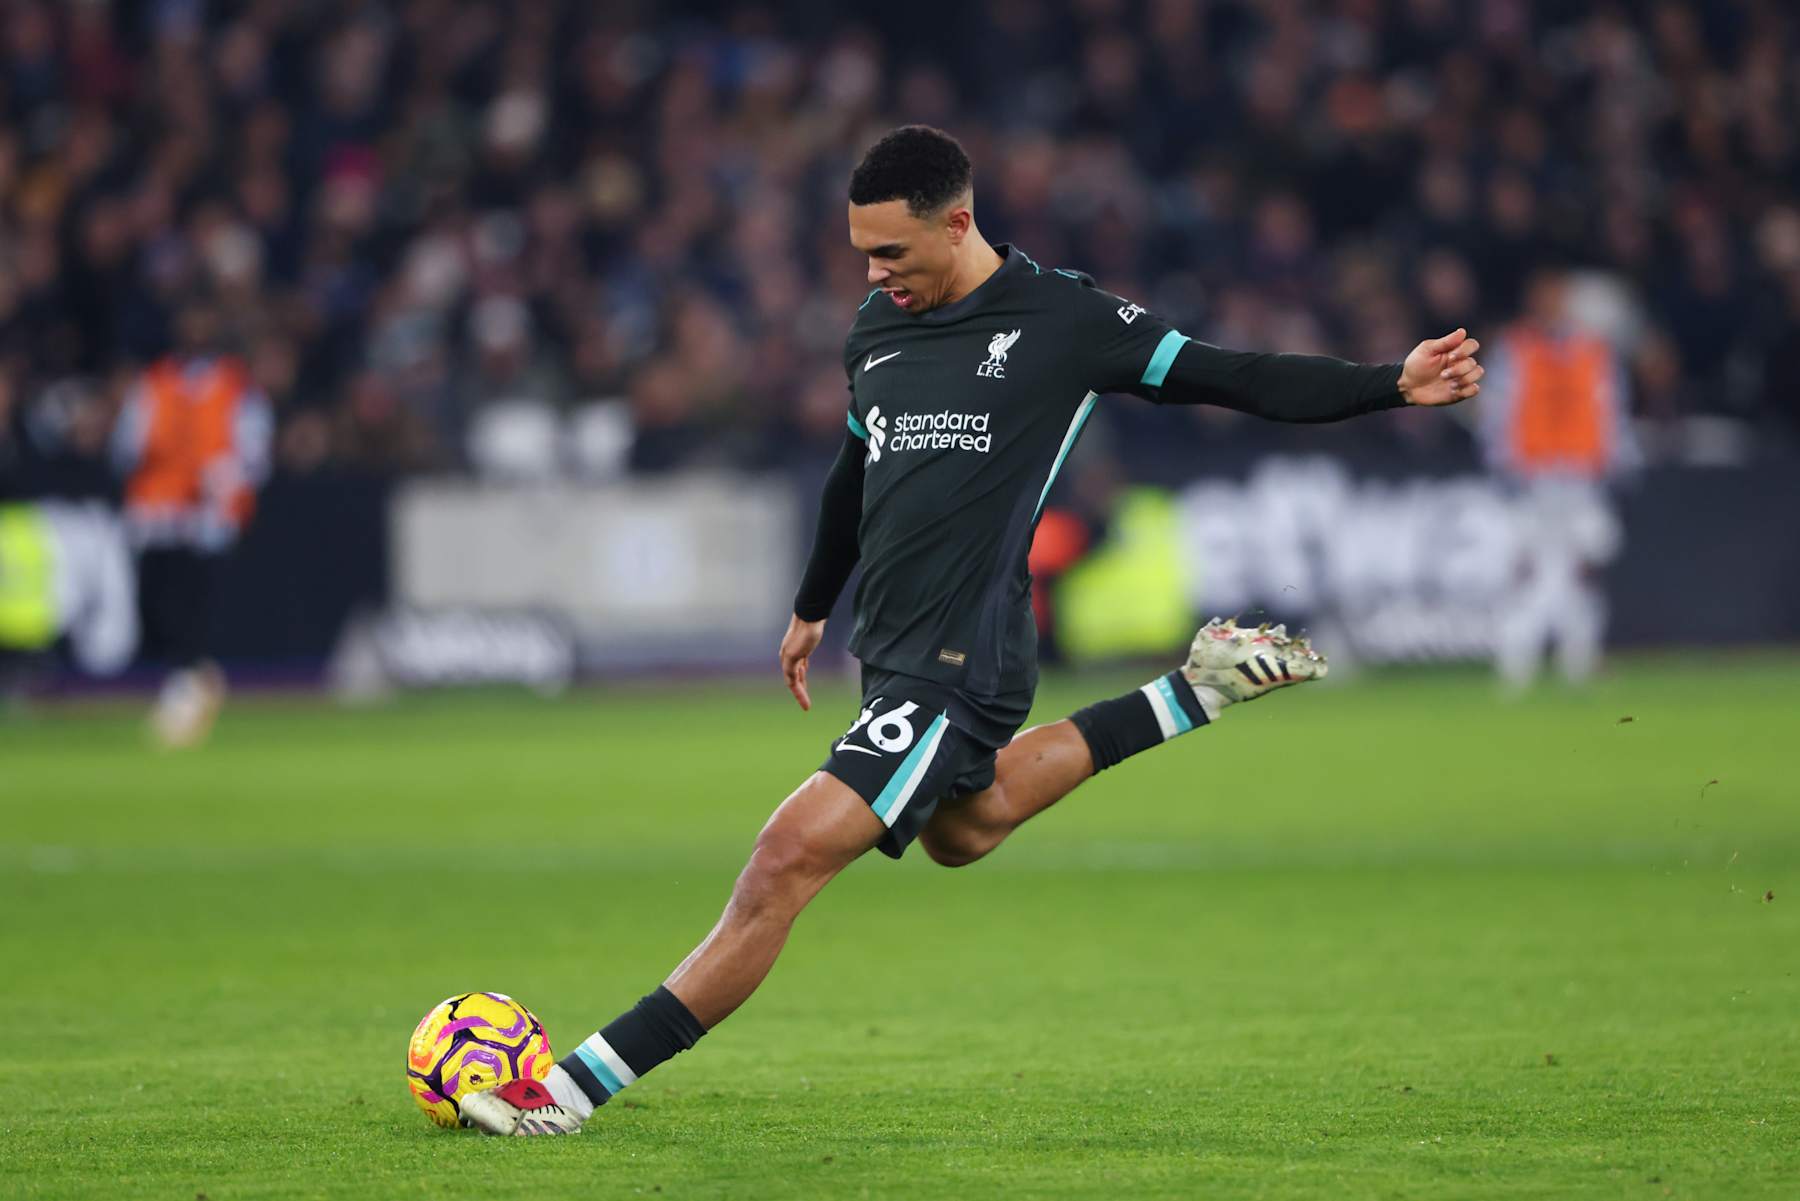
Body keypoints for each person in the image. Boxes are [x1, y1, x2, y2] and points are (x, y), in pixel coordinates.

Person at [460, 127, 1483, 1136]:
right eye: (863, 249)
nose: (875, 271)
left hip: (965, 655)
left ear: (959, 222)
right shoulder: (877, 327)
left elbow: (1234, 374)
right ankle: (1197, 690)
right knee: (964, 827)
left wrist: (1387, 382)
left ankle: (569, 1092)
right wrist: (815, 602)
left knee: (784, 858)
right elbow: (858, 471)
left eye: (894, 251)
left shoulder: (1065, 318)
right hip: (891, 650)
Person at [112, 300, 273, 746]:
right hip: (158, 512)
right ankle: (192, 678)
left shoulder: (235, 386)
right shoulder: (156, 383)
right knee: (159, 604)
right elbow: (127, 445)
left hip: (207, 514)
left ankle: (188, 685)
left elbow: (254, 452)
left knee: (192, 605)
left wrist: (224, 483)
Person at [1477, 267, 1632, 688]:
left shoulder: (1594, 350)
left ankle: (1578, 661)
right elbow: (1497, 414)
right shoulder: (1515, 348)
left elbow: (1611, 412)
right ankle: (1517, 665)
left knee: (1583, 571)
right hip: (1533, 476)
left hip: (1582, 477)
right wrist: (1505, 470)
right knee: (1530, 573)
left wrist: (1614, 467)